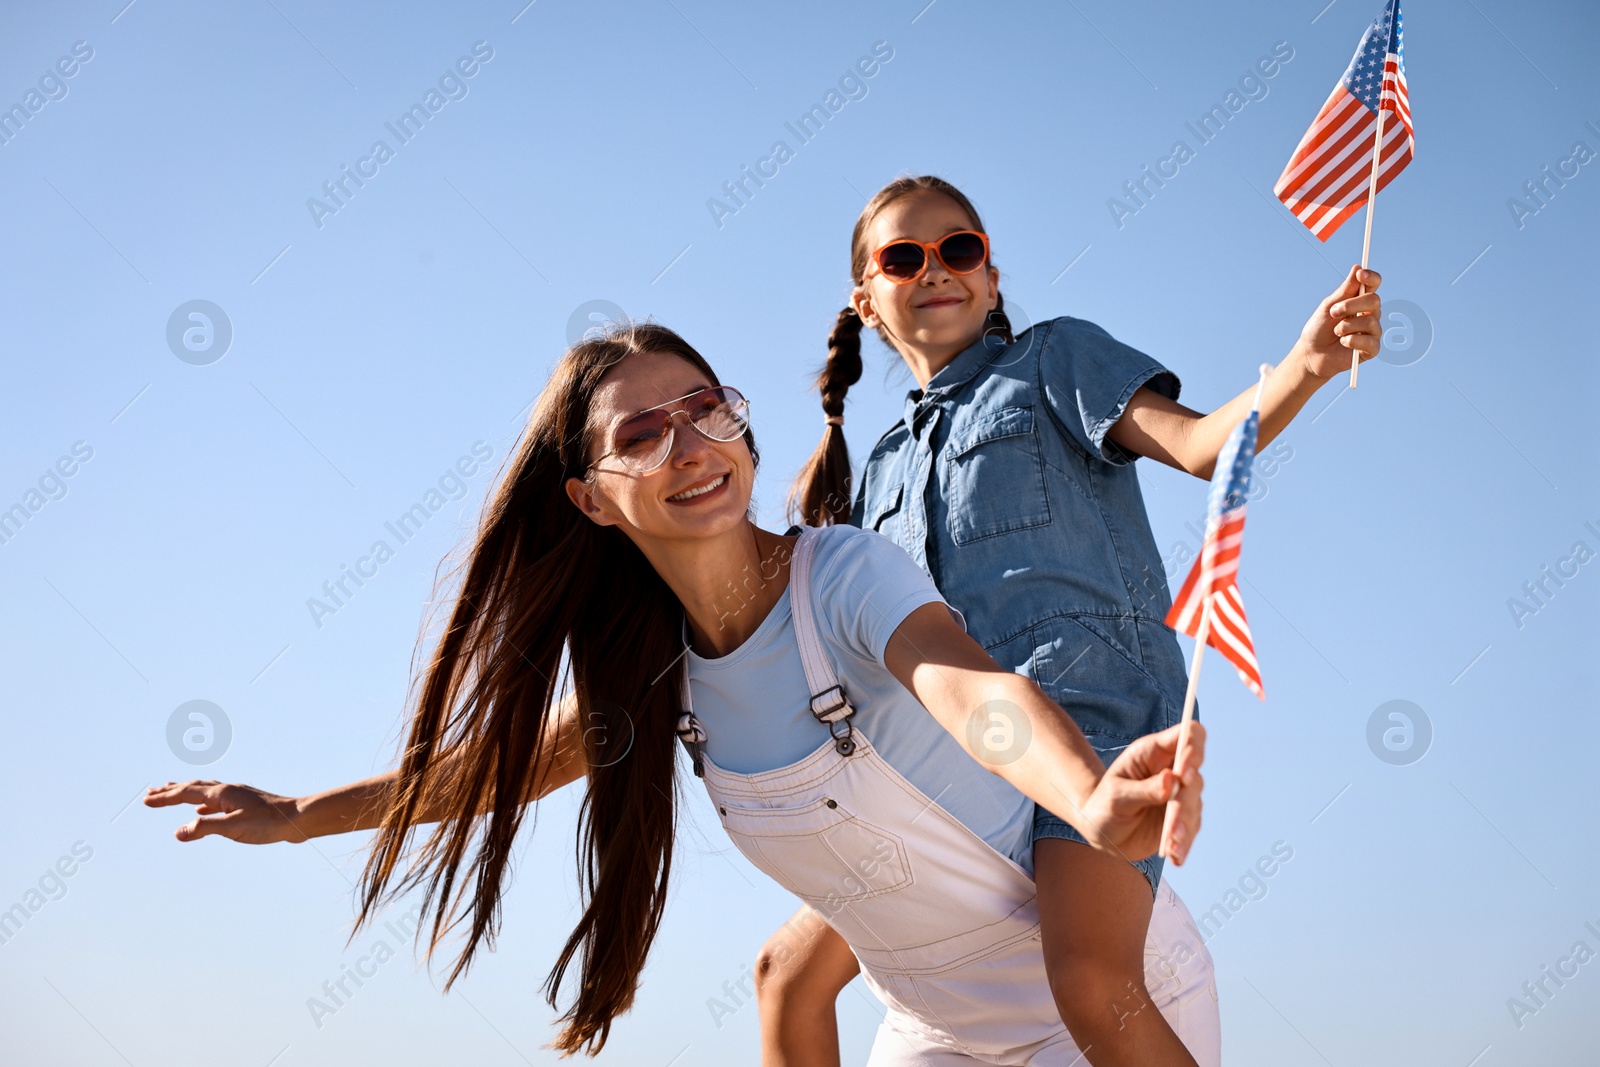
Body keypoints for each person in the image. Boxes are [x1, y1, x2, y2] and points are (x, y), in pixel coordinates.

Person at [145, 323, 1211, 1063]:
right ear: (590, 500)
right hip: (935, 1033)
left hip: (1103, 1012)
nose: (691, 447)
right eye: (641, 435)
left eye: (706, 411)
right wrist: (293, 818)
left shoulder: (840, 574)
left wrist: (1087, 797)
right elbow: (487, 775)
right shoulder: (656, 672)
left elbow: (973, 692)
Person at [763, 176, 1384, 1066]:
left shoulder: (1054, 359)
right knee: (785, 973)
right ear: (866, 299)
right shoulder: (883, 467)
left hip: (1093, 723)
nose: (937, 269)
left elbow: (1203, 445)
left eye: (960, 248)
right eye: (905, 258)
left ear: (990, 270)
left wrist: (1306, 363)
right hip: (945, 762)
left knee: (1091, 982)